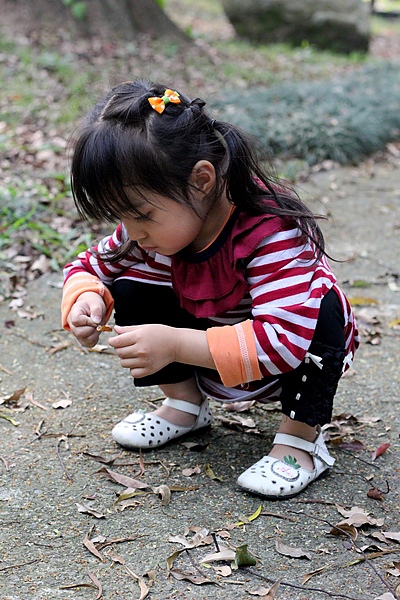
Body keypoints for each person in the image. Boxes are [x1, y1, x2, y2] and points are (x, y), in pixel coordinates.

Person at [61, 79, 359, 500]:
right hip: (214, 348)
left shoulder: (270, 232)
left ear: (201, 180)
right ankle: (184, 407)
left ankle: (299, 441)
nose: (133, 232)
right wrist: (88, 296)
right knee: (129, 285)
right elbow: (92, 265)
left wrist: (174, 344)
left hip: (285, 357)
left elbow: (284, 342)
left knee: (322, 310)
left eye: (142, 214)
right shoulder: (153, 231)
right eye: (122, 216)